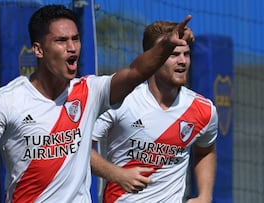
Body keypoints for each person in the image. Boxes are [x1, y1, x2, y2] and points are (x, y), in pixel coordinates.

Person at [0, 4, 194, 203]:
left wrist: (166, 46)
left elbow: (136, 71)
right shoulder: (8, 99)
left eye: (75, 39)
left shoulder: (90, 91)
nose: (71, 48)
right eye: (61, 41)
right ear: (38, 50)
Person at [91, 21, 217, 203]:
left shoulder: (203, 109)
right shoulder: (121, 99)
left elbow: (205, 151)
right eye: (173, 54)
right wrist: (118, 175)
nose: (182, 61)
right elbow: (80, 148)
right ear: (154, 58)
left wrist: (205, 195)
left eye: (186, 54)